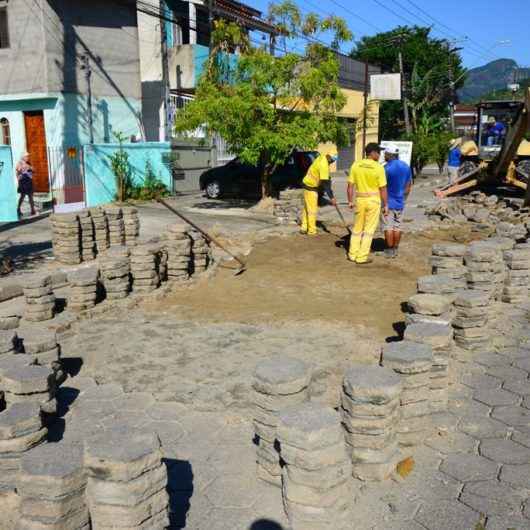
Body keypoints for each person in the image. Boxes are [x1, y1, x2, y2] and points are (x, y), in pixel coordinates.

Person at [347, 143, 388, 264]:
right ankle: (362, 257)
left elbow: (350, 186)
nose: (380, 155)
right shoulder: (378, 168)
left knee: (357, 228)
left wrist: (350, 201)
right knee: (369, 230)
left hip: (360, 200)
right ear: (373, 153)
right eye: (378, 152)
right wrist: (386, 205)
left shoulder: (356, 165)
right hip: (373, 201)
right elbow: (383, 189)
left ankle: (352, 254)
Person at [382, 144, 412, 259]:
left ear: (389, 155)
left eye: (385, 154)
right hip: (400, 202)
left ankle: (389, 250)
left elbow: (382, 187)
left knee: (388, 227)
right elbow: (408, 186)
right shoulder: (406, 166)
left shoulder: (386, 168)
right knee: (397, 227)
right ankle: (395, 249)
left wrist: (384, 202)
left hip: (388, 203)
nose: (384, 155)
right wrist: (403, 199)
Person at [300, 152, 337, 236]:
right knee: (312, 210)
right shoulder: (324, 165)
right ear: (329, 158)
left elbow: (325, 178)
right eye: (332, 160)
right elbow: (326, 183)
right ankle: (312, 231)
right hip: (311, 188)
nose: (332, 162)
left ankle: (304, 227)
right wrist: (332, 198)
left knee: (307, 209)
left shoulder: (322, 157)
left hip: (306, 184)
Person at [16, 152, 36, 217]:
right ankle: (18, 209)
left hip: (29, 181)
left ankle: (33, 210)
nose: (28, 158)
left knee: (30, 196)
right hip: (23, 181)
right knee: (23, 196)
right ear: (23, 157)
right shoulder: (20, 163)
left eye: (28, 156)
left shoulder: (28, 163)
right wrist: (24, 168)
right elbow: (18, 170)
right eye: (26, 156)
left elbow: (33, 170)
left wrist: (31, 169)